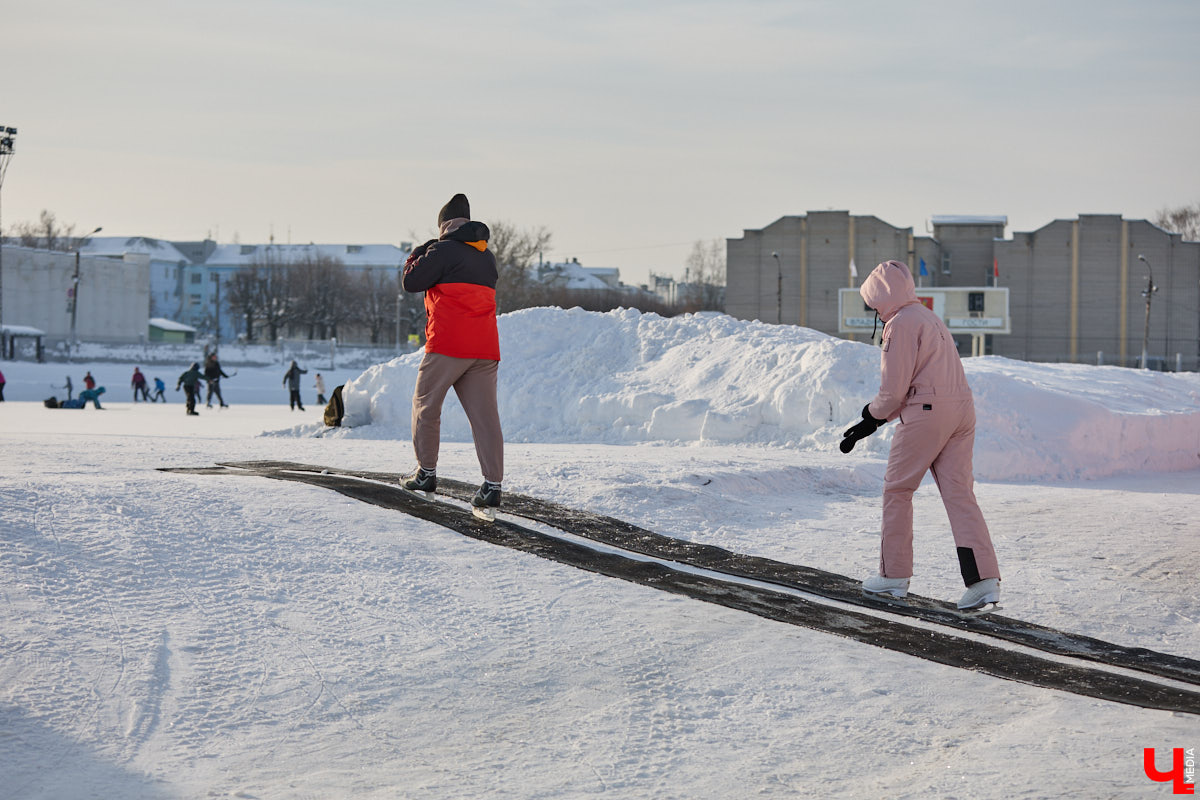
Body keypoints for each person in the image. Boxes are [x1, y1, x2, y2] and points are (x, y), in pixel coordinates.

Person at [840, 260, 1001, 611]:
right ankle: (984, 581)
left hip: (928, 414)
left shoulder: (899, 325)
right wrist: (880, 418)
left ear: (882, 300)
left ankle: (893, 577)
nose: (876, 313)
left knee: (898, 490)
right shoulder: (929, 318)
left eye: (874, 306)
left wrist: (871, 415)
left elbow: (895, 390)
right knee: (960, 494)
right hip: (962, 410)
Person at [399, 192, 504, 520]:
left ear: (443, 225)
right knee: (485, 418)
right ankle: (492, 486)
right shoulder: (487, 256)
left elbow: (411, 282)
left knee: (425, 407)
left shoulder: (441, 250)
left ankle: (426, 473)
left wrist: (417, 253)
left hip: (447, 345)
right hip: (484, 349)